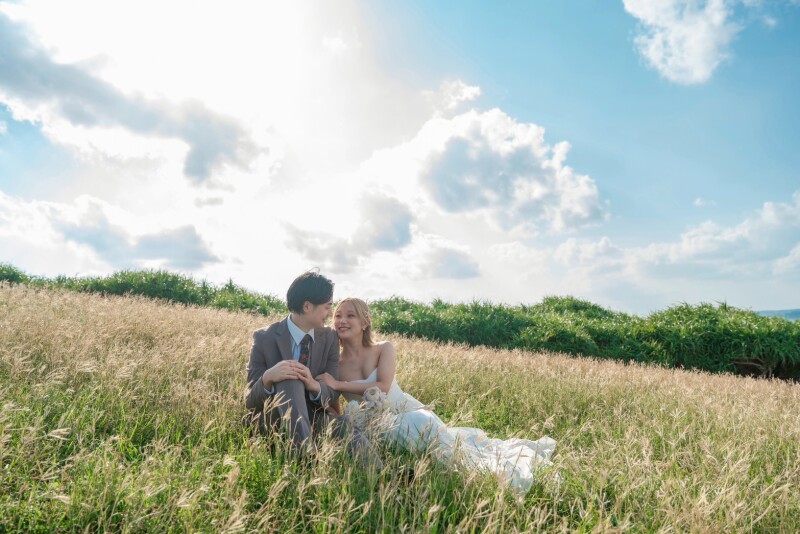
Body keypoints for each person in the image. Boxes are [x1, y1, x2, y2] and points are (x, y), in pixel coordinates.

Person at [316, 297, 556, 495]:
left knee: (423, 423)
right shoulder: (334, 364)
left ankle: (473, 472)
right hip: (375, 425)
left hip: (404, 410)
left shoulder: (383, 348)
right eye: (337, 315)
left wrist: (337, 383)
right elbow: (334, 406)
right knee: (406, 430)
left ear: (365, 321)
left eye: (350, 315)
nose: (342, 320)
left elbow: (384, 386)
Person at [244, 272, 378, 467]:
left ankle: (387, 476)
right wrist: (268, 377)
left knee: (343, 425)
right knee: (289, 376)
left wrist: (313, 384)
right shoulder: (264, 338)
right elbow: (250, 401)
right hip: (275, 421)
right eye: (327, 307)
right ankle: (305, 459)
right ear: (307, 307)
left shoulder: (329, 338)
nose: (330, 314)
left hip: (315, 419)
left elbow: (331, 393)